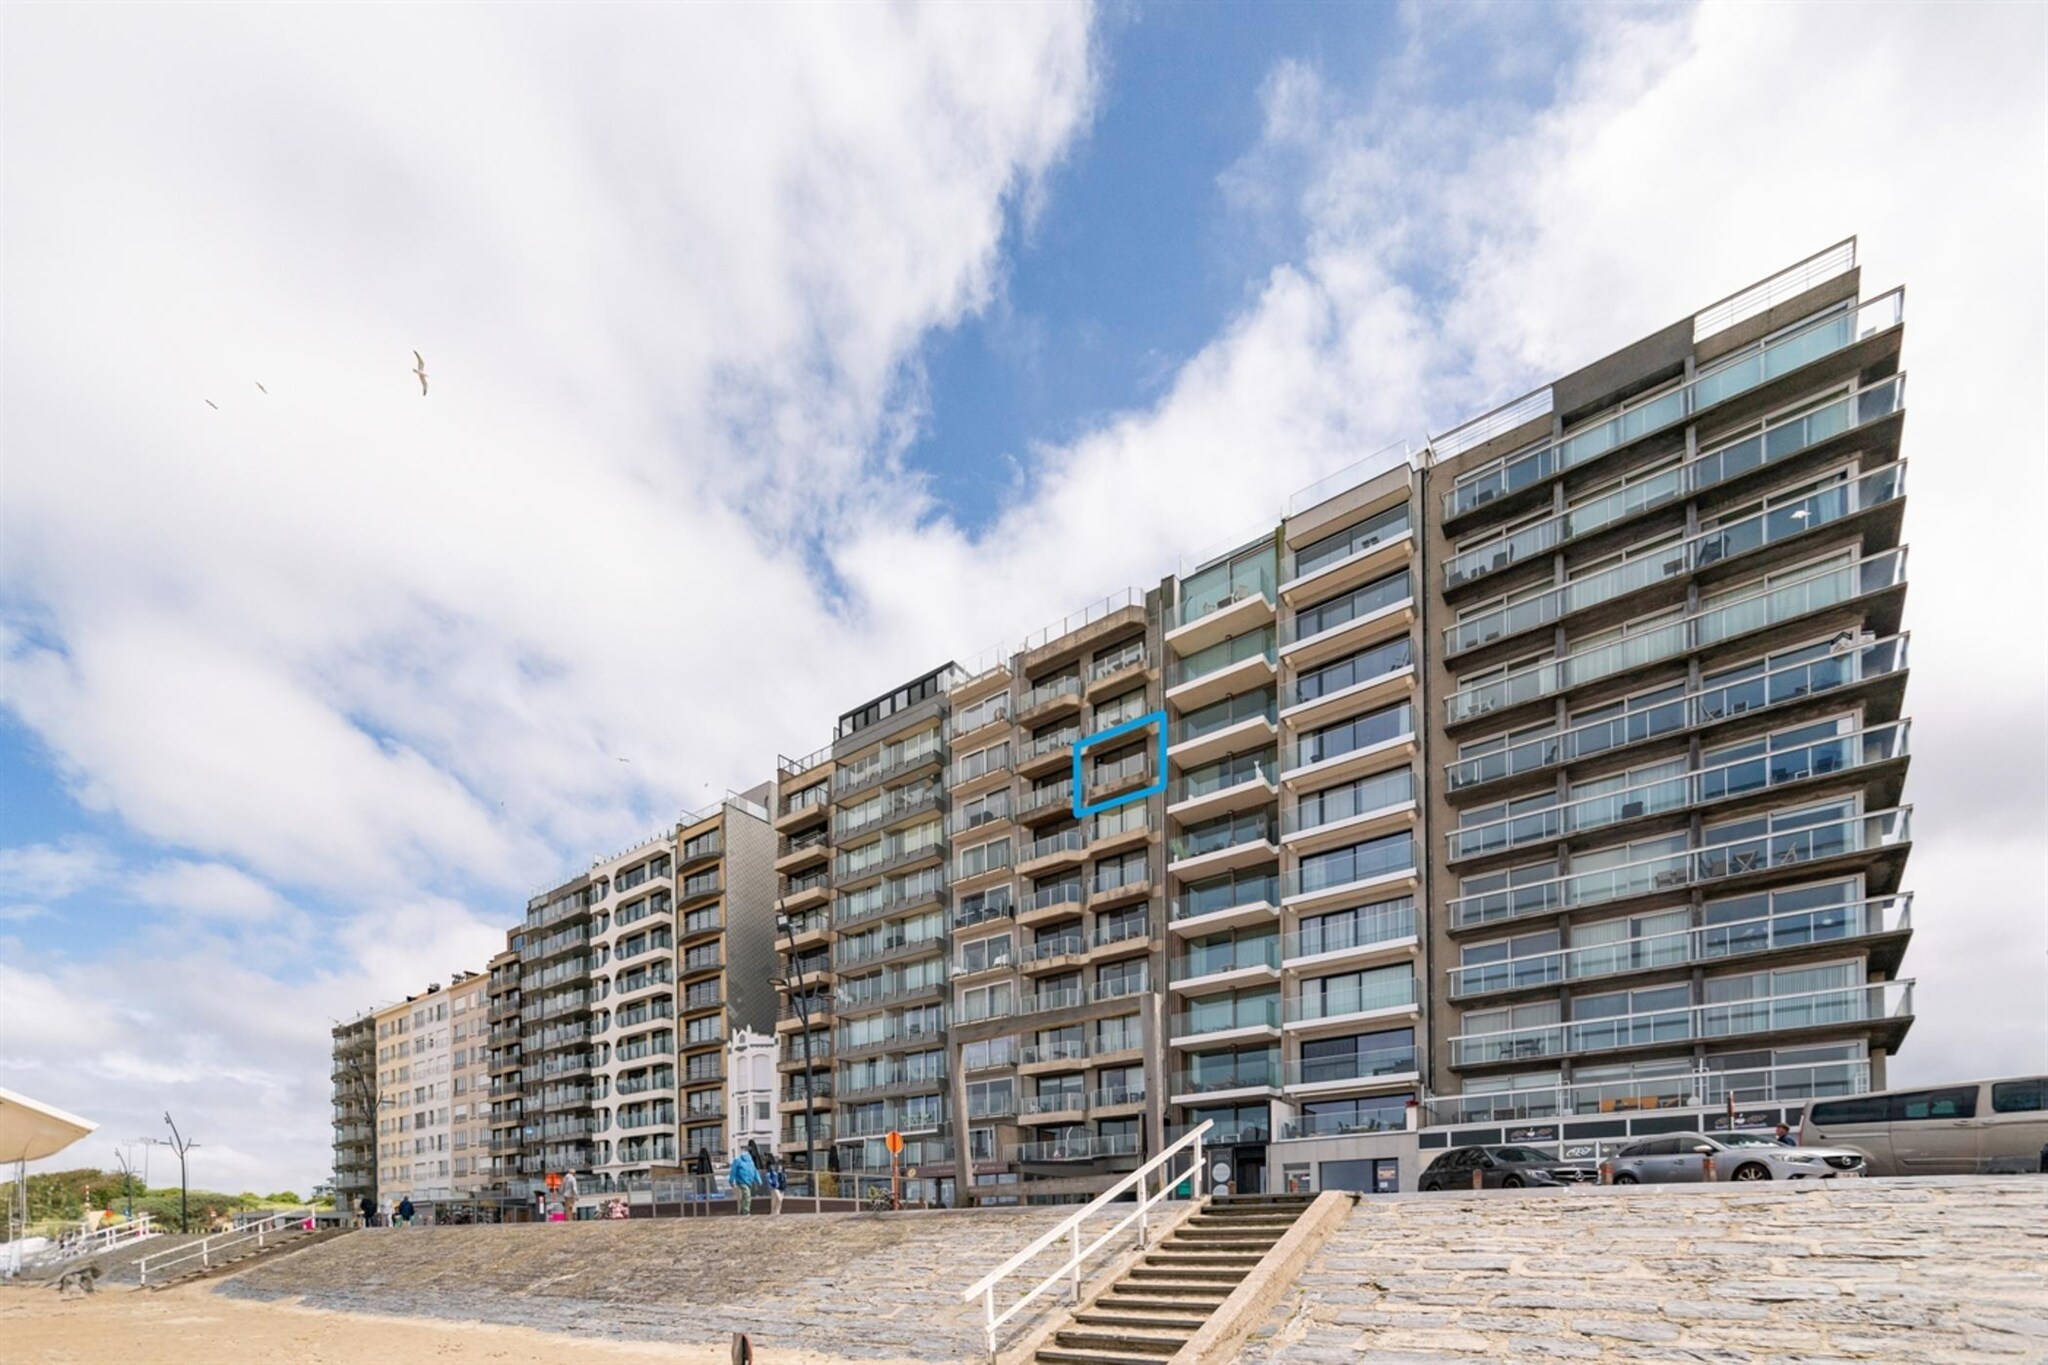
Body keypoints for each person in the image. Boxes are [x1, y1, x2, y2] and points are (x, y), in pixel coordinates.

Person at [729, 1148, 760, 1215]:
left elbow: (733, 1171)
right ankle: (746, 1211)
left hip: (748, 1182)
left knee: (745, 1196)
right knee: (747, 1195)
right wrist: (758, 1180)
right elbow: (755, 1171)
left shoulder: (749, 1162)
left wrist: (731, 1181)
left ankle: (742, 1211)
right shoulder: (739, 1161)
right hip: (742, 1181)